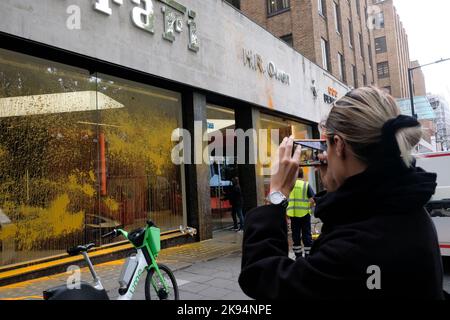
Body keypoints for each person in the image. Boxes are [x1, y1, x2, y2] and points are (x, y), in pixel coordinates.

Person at [239, 86, 446, 300]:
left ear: (338, 145)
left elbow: (262, 276)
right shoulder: (409, 210)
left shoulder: (354, 250)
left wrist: (277, 194)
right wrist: (339, 185)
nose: (323, 155)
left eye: (325, 145)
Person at [287, 168, 315, 259]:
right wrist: (308, 207)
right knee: (307, 235)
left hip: (294, 215)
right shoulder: (305, 185)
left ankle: (298, 256)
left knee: (296, 236)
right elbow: (312, 200)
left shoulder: (290, 186)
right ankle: (307, 256)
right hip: (305, 214)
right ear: (302, 175)